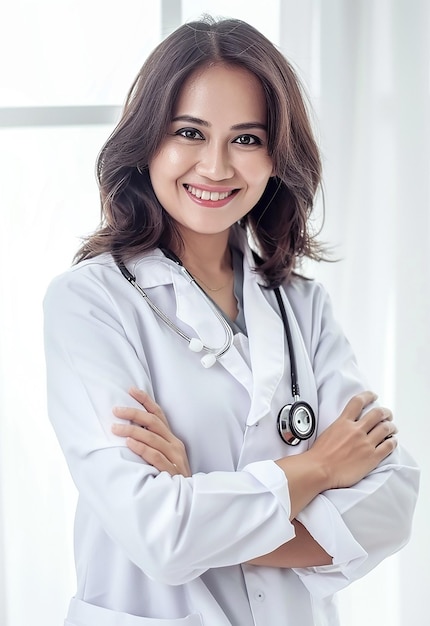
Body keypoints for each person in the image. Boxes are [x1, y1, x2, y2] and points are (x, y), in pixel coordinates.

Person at [43, 16, 419, 626]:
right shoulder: (89, 303)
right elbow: (159, 534)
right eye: (190, 132)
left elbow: (393, 502)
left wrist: (206, 507)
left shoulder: (302, 303)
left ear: (277, 156)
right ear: (147, 144)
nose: (216, 167)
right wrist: (317, 469)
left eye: (247, 139)